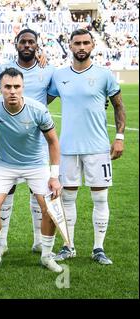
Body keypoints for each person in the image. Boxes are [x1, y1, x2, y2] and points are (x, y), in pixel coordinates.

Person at [48, 29, 126, 265]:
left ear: (93, 45)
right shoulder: (59, 75)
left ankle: (98, 248)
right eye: (77, 43)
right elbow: (42, 99)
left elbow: (118, 106)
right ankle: (68, 246)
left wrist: (120, 136)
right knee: (68, 199)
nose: (81, 47)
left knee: (100, 199)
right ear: (69, 46)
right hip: (68, 148)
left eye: (85, 43)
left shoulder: (105, 75)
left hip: (98, 147)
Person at [0, 67, 63, 273]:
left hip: (36, 165)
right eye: (7, 87)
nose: (12, 91)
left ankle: (46, 255)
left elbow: (53, 142)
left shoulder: (37, 109)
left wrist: (54, 176)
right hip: (4, 164)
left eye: (16, 87)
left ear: (23, 88)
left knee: (50, 208)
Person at [0, 29, 57, 255]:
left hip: (37, 142)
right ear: (16, 44)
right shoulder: (4, 69)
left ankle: (39, 240)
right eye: (23, 42)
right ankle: (1, 242)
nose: (27, 45)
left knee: (38, 193)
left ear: (37, 45)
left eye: (31, 42)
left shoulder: (47, 69)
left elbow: (52, 95)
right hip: (10, 142)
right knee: (7, 191)